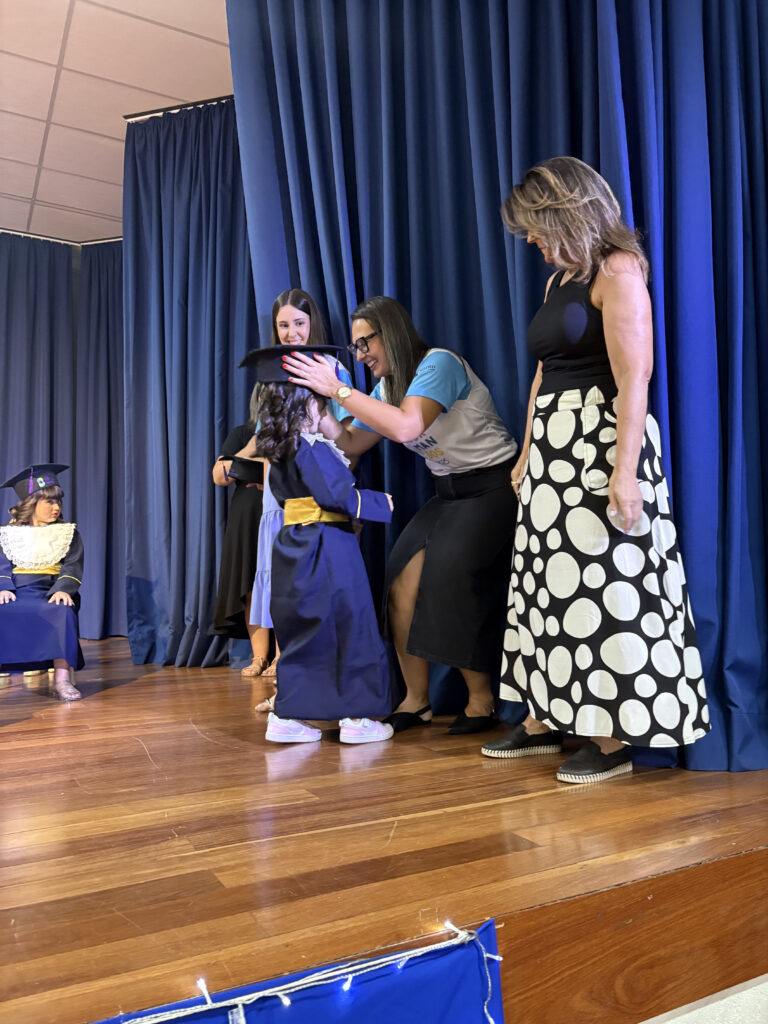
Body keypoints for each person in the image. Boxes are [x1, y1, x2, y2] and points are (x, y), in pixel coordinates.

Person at [483, 155, 710, 783]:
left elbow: (635, 377)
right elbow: (542, 373)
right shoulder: (561, 278)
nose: (531, 240)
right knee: (547, 587)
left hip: (600, 444)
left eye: (536, 227)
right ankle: (544, 720)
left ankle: (611, 741)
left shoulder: (618, 270)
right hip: (552, 449)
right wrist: (527, 451)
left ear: (567, 212)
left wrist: (624, 470)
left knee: (606, 586)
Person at [283, 296, 519, 735]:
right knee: (399, 582)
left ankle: (481, 699)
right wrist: (322, 414)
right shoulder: (388, 387)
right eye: (355, 347)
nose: (361, 355)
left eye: (365, 343)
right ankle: (417, 699)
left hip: (492, 486)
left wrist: (338, 390)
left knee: (448, 577)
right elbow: (351, 443)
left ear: (389, 333)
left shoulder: (438, 364)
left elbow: (408, 426)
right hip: (448, 491)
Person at [241, 344, 395, 744]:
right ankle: (357, 717)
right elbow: (337, 495)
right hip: (328, 548)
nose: (325, 411)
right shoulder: (312, 447)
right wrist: (379, 503)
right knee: (350, 625)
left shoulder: (278, 451)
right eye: (320, 403)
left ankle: (290, 715)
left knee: (304, 631)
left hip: (292, 545)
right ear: (306, 404)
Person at [250, 288, 353, 709]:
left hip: (318, 491)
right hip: (280, 496)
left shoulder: (331, 369)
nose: (291, 333)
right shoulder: (268, 373)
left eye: (299, 323)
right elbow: (265, 440)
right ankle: (287, 688)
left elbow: (347, 437)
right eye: (283, 325)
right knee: (285, 593)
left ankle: (327, 690)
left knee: (318, 593)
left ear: (313, 325)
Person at [0, 464, 84, 701]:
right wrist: (3, 587)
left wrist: (63, 589)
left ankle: (62, 680)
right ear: (31, 503)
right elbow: (2, 565)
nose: (56, 507)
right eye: (49, 502)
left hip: (50, 590)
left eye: (58, 501)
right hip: (18, 590)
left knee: (60, 611)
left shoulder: (67, 534)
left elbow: (72, 566)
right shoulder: (9, 535)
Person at [212, 383, 269, 676]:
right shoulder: (242, 434)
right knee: (251, 586)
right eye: (265, 393)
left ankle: (282, 657)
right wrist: (250, 450)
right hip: (247, 518)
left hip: (282, 513)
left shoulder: (295, 433)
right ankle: (259, 657)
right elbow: (220, 476)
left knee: (281, 585)